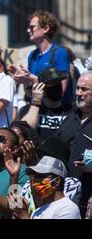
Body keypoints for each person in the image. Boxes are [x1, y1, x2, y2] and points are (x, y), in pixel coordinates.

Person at [9, 11, 70, 103]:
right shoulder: (32, 55)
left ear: (46, 28)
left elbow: (60, 92)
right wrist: (24, 80)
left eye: (32, 27)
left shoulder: (60, 53)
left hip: (55, 113)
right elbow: (30, 93)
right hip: (37, 109)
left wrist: (31, 77)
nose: (28, 30)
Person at [56, 71, 92, 216]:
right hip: (63, 198)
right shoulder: (69, 118)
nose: (78, 93)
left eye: (84, 89)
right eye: (77, 88)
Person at [8, 156, 81, 219]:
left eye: (40, 176)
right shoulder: (38, 211)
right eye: (34, 177)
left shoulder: (68, 208)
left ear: (56, 182)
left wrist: (23, 214)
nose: (35, 181)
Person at [20, 67, 71, 141]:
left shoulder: (71, 110)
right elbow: (25, 130)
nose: (56, 86)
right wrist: (35, 102)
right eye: (51, 83)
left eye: (58, 82)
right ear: (41, 88)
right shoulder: (29, 110)